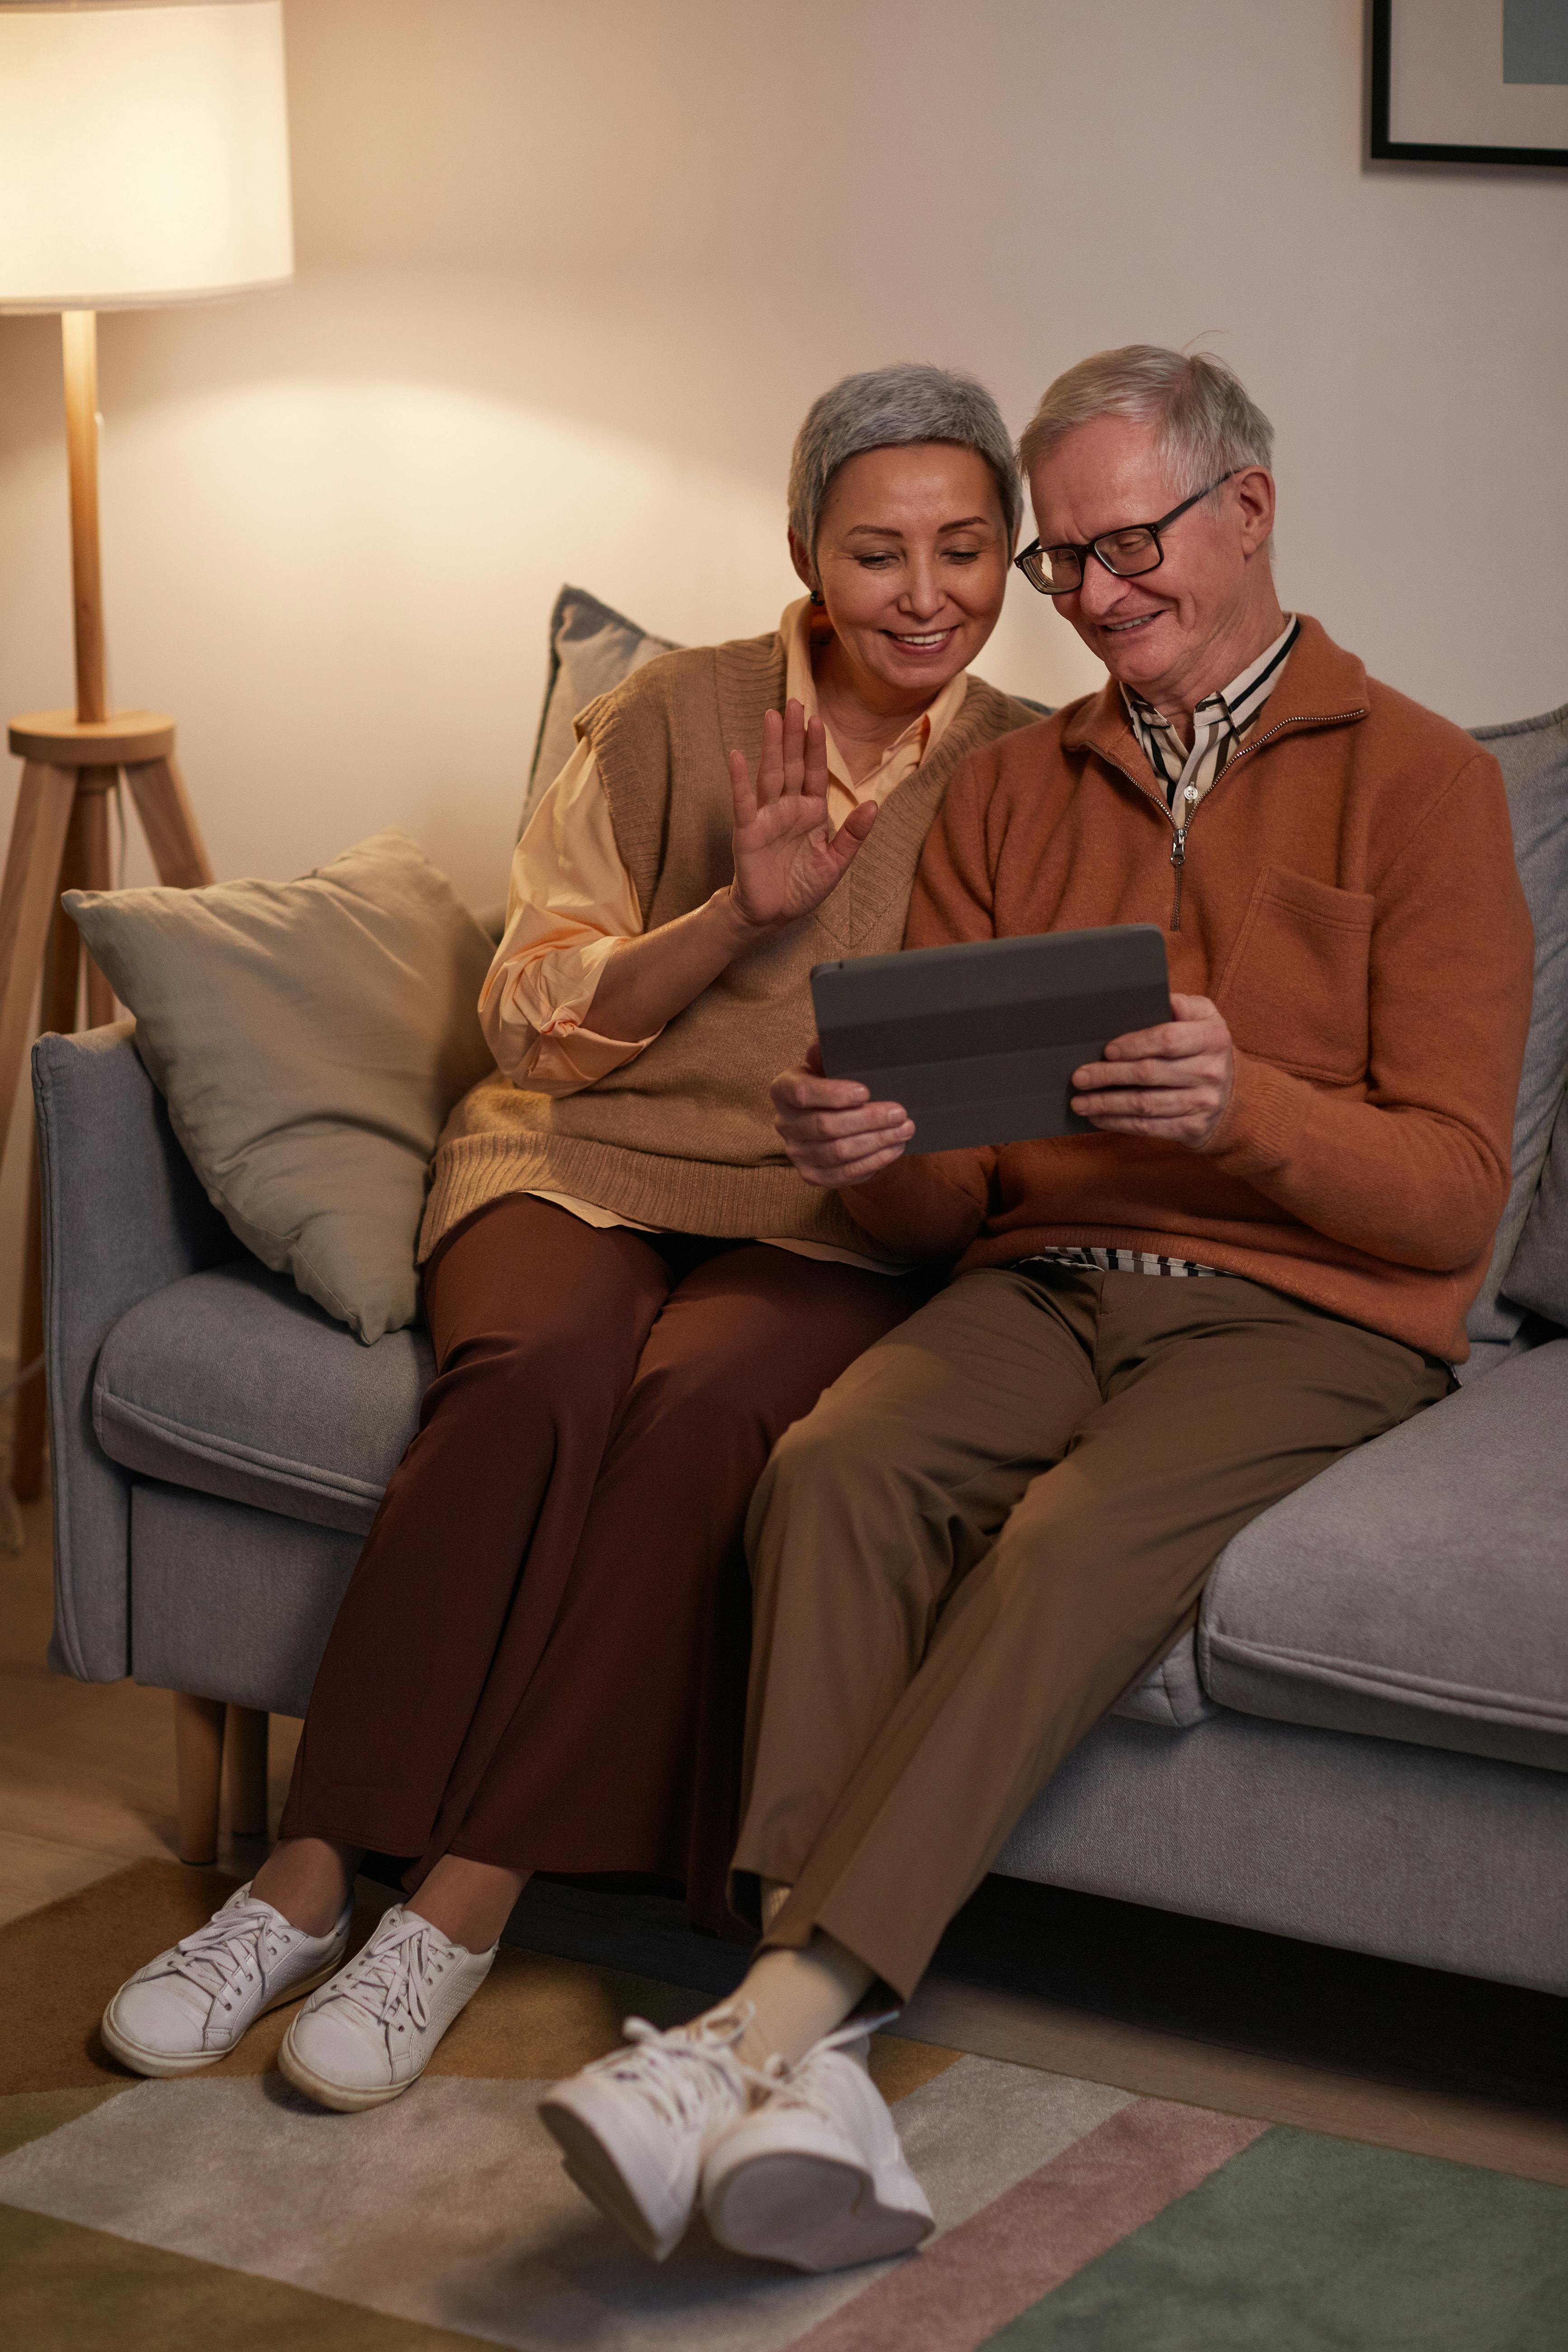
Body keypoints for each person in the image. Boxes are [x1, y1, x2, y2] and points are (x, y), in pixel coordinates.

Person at [537, 346, 1534, 2274]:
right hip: (1042, 1279)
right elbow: (949, 1196)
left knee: (1069, 1543)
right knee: (832, 1464)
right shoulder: (1010, 793)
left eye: (1125, 541)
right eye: (1065, 560)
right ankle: (811, 2081)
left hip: (1303, 1314)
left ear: (1249, 510)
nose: (1091, 592)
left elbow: (1454, 1196)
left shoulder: (1427, 783)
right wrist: (865, 1138)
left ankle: (757, 2026)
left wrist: (1248, 1108)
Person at [100, 364, 1042, 2109]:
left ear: (1013, 558)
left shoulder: (1023, 775)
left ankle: (457, 1910)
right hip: (578, 1153)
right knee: (532, 1378)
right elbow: (530, 1019)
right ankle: (303, 1875)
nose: (925, 596)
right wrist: (731, 919)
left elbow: (999, 1087)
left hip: (823, 1211)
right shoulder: (679, 711)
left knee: (698, 1424)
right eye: (878, 553)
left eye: (967, 551)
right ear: (802, 554)